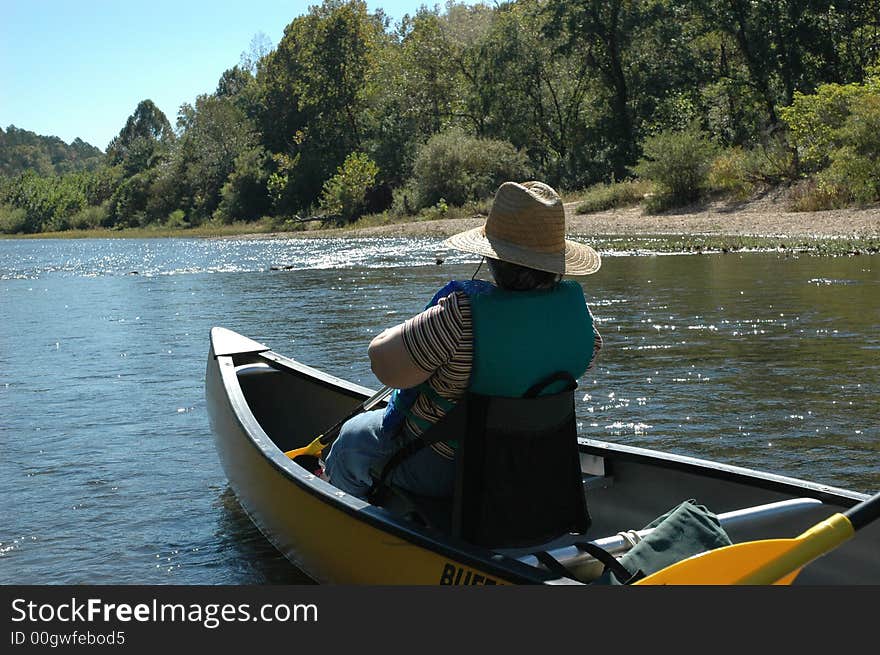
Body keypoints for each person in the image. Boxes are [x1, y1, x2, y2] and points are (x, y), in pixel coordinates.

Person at [324, 180, 603, 500]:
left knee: (349, 443)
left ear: (493, 259)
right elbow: (575, 354)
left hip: (451, 467)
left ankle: (371, 527)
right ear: (555, 265)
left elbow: (385, 368)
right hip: (533, 464)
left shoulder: (459, 317)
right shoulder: (581, 324)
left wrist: (404, 331)